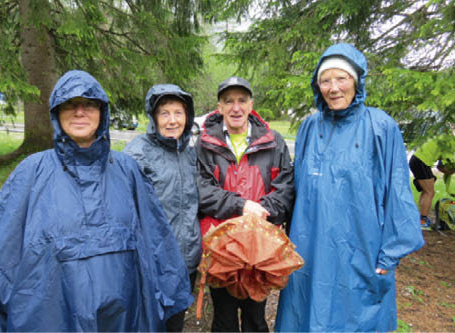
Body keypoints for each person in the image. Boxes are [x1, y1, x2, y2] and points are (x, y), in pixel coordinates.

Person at [0, 70, 192, 332]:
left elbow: (157, 240)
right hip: (52, 315)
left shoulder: (127, 171)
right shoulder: (32, 172)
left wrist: (171, 295)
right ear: (56, 113)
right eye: (70, 105)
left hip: (123, 316)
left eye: (88, 104)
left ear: (102, 112)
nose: (79, 112)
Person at [274, 43, 425, 332]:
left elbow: (396, 191)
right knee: (306, 314)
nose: (333, 88)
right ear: (317, 85)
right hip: (311, 246)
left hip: (362, 249)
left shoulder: (380, 127)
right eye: (325, 80)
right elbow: (297, 189)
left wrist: (391, 253)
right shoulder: (308, 127)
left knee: (356, 318)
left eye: (341, 78)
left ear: (357, 80)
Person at [196, 76, 295, 332]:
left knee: (255, 318)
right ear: (219, 107)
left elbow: (285, 189)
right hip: (221, 248)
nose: (235, 107)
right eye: (229, 101)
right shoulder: (205, 144)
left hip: (259, 250)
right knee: (224, 320)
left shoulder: (273, 142)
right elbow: (202, 190)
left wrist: (261, 211)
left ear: (251, 105)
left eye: (242, 100)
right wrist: (242, 206)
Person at [123, 84, 201, 332]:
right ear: (153, 117)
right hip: (152, 261)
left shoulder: (190, 154)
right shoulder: (137, 153)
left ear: (187, 117)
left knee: (175, 322)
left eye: (178, 113)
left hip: (186, 260)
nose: (172, 120)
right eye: (164, 113)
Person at [409, 133, 455, 229]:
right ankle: (422, 221)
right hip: (421, 162)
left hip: (417, 160)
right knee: (430, 192)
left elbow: (440, 167)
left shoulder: (446, 138)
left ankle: (421, 219)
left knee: (426, 192)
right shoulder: (451, 142)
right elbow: (445, 167)